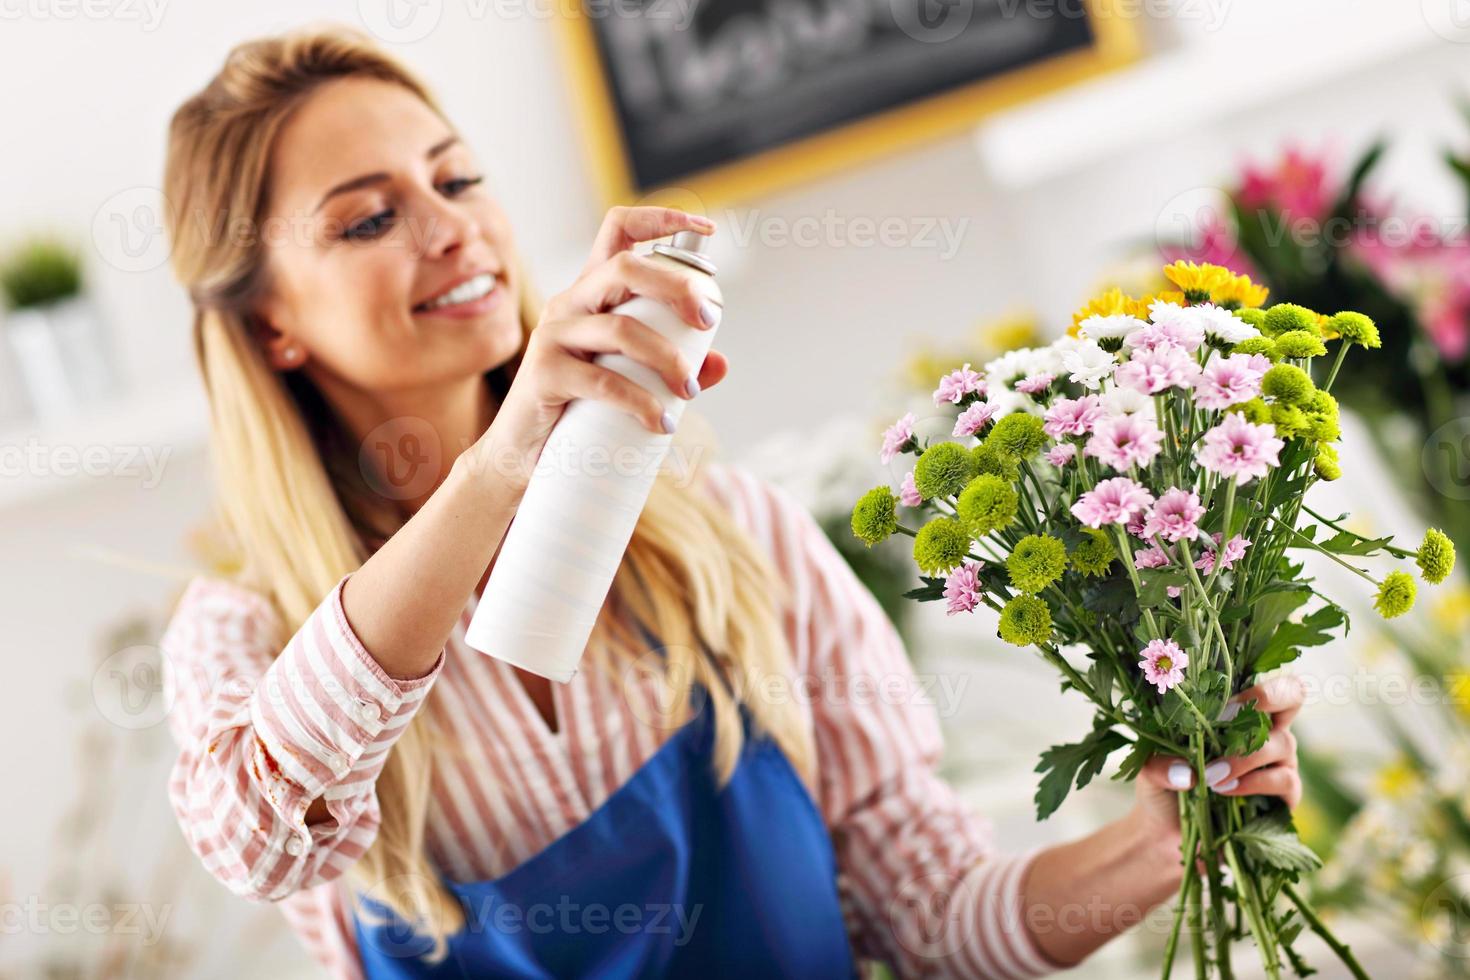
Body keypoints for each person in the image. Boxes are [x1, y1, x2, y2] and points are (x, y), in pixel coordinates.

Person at [158, 25, 1306, 979]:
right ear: (272, 324)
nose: (452, 224)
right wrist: (508, 454)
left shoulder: (728, 536)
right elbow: (261, 833)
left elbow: (934, 914)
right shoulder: (245, 635)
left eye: (457, 177)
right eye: (368, 218)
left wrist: (1156, 848)